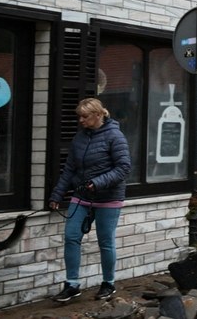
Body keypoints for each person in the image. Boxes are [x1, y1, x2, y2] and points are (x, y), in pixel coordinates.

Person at [48, 97, 131, 303]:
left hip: (108, 198)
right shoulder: (79, 138)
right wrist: (57, 194)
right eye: (79, 117)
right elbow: (69, 169)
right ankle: (72, 284)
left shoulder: (115, 136)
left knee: (105, 242)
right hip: (82, 196)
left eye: (85, 117)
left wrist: (98, 182)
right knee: (71, 236)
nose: (81, 121)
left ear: (97, 115)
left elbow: (123, 168)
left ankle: (108, 283)